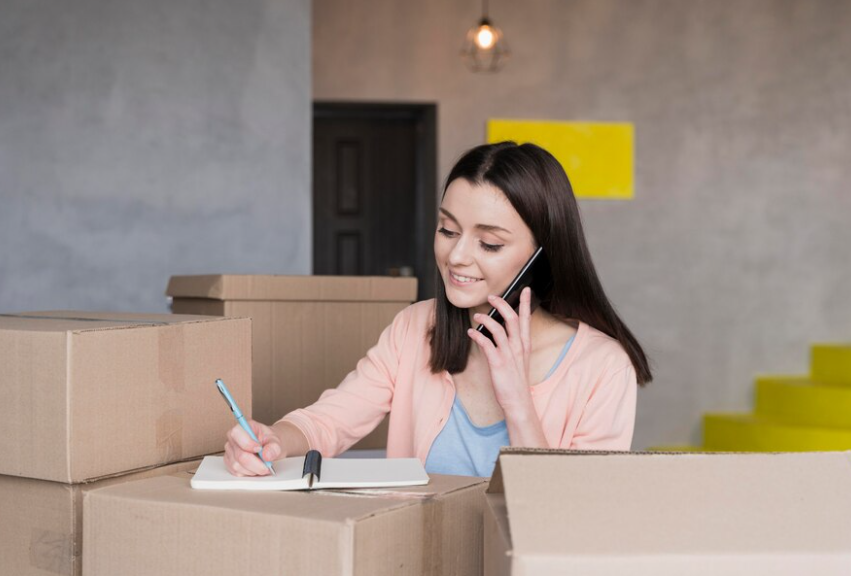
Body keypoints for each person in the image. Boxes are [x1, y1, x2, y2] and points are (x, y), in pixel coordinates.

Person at [224, 141, 652, 478]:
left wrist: (517, 400)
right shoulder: (414, 328)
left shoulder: (603, 368)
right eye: (448, 229)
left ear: (543, 255)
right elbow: (331, 420)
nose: (457, 256)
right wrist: (273, 439)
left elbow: (574, 519)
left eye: (489, 243)